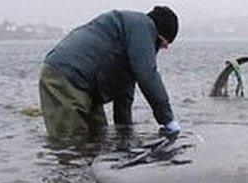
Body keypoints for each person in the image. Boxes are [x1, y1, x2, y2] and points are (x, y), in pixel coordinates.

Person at [39, 6, 180, 142]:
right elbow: (147, 75)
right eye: (163, 45)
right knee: (72, 145)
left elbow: (124, 94)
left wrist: (124, 133)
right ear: (159, 35)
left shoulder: (130, 35)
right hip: (65, 78)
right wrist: (167, 120)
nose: (162, 49)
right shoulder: (142, 27)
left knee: (98, 138)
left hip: (87, 89)